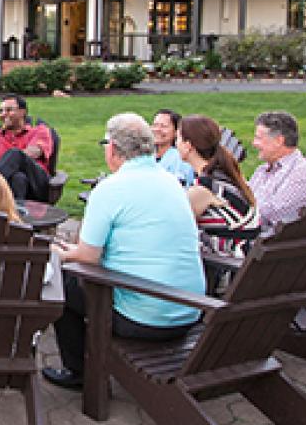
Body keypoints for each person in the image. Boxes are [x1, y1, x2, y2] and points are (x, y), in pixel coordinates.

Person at [42, 113, 206, 389]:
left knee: (64, 282)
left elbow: (88, 257)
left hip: (145, 318)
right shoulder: (171, 182)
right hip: (188, 310)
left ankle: (82, 372)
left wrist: (62, 253)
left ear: (113, 149)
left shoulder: (110, 189)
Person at [177, 115, 261, 256]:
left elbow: (169, 225)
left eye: (177, 139)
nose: (175, 144)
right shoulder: (224, 176)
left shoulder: (203, 189)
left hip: (230, 267)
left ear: (188, 146)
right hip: (248, 261)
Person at [247, 110, 306, 234]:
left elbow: (276, 214)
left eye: (258, 138)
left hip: (274, 245)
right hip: (251, 235)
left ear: (278, 141)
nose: (254, 143)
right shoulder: (262, 170)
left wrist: (242, 204)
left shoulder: (303, 172)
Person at [0, 94, 53, 202]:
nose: (3, 114)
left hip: (37, 185)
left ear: (23, 112)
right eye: (0, 111)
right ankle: (16, 213)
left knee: (16, 154)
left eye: (9, 110)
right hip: (7, 186)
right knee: (18, 178)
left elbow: (34, 152)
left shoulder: (39, 131)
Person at [151, 109, 194, 186]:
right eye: (155, 125)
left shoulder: (182, 158)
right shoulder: (146, 155)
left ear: (176, 132)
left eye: (164, 126)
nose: (157, 129)